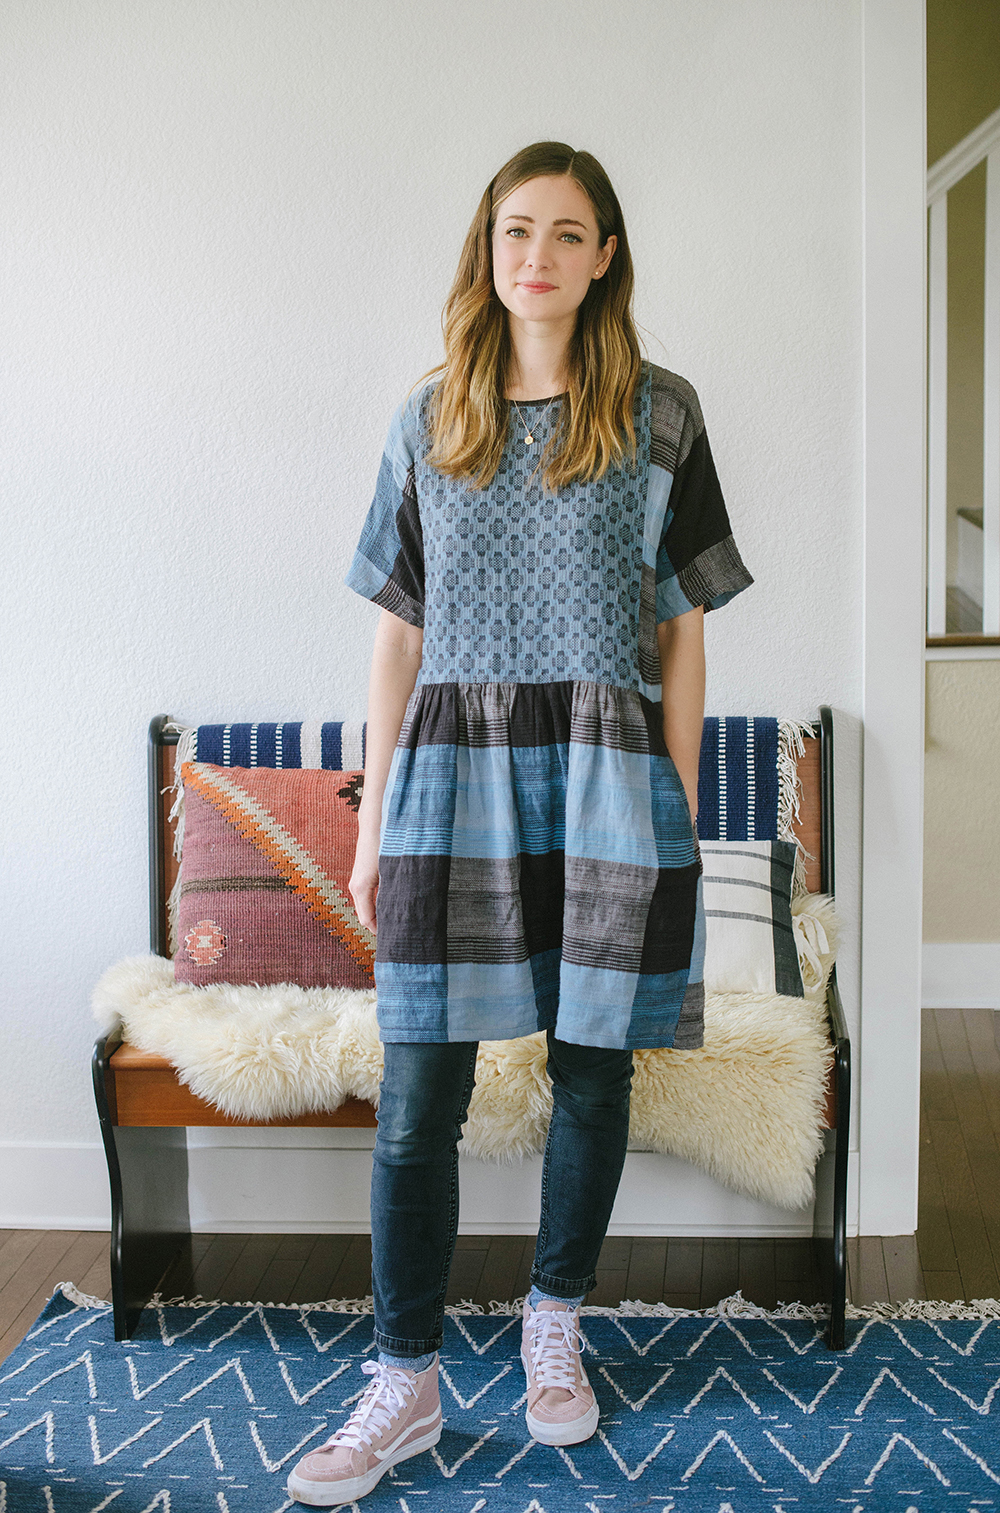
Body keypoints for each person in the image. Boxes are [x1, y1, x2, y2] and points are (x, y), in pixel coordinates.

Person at [286, 140, 754, 1507]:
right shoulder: (429, 418)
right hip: (449, 781)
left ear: (604, 257)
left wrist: (672, 798)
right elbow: (396, 638)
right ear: (487, 252)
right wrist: (371, 825)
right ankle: (406, 1381)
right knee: (418, 1096)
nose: (535, 255)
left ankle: (556, 1324)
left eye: (564, 232)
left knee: (592, 1076)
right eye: (514, 230)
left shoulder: (661, 414)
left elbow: (685, 631)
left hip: (612, 779)